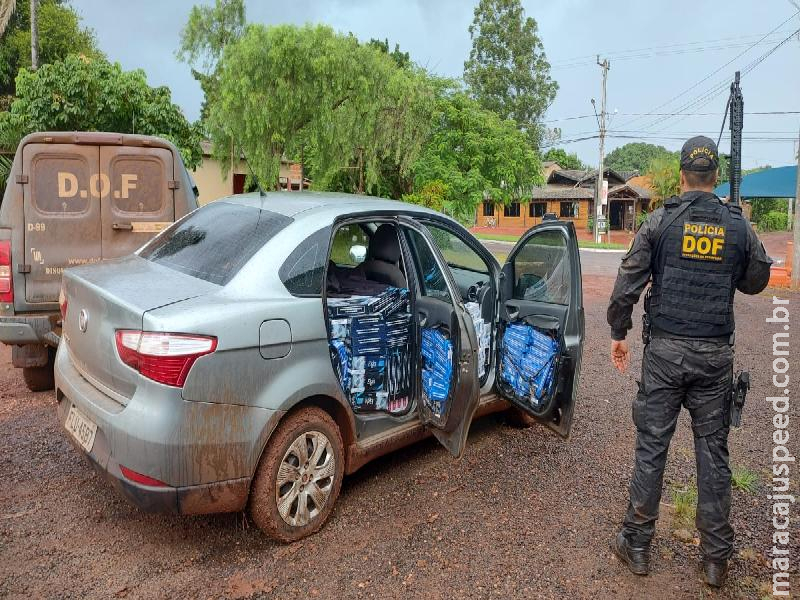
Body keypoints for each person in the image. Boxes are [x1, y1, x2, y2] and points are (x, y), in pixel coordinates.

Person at [606, 136, 772, 588]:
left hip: (663, 356)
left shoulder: (660, 221)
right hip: (714, 358)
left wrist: (618, 333)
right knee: (713, 455)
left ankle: (637, 546)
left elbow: (626, 284)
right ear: (715, 178)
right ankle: (715, 559)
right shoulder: (737, 226)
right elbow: (757, 279)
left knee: (651, 449)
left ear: (682, 176)